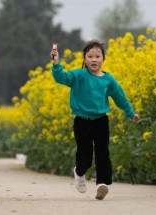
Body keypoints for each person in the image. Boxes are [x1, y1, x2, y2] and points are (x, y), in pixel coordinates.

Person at [50, 40, 139, 200]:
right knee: (85, 155)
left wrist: (130, 112)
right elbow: (61, 77)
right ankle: (80, 172)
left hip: (101, 121)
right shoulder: (79, 75)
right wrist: (56, 63)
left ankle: (102, 184)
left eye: (97, 56)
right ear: (84, 59)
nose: (94, 59)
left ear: (103, 59)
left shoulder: (108, 79)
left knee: (103, 153)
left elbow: (120, 97)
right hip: (82, 122)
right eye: (90, 56)